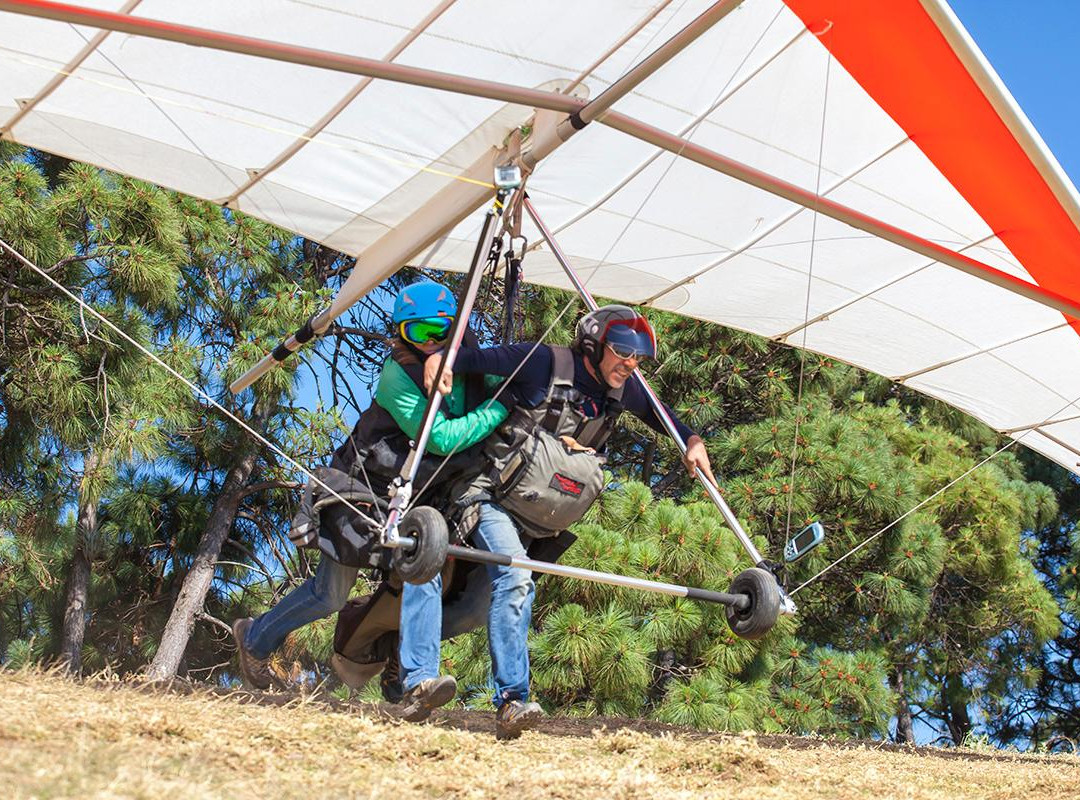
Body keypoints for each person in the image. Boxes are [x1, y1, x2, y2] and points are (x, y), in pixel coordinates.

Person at [399, 304, 716, 740]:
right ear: (593, 344)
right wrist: (440, 358)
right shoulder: (545, 362)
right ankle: (509, 701)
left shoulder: (623, 389)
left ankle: (485, 691)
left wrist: (692, 441)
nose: (631, 364)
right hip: (488, 494)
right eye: (623, 352)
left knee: (490, 597)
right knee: (517, 576)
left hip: (536, 515)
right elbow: (478, 358)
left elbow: (665, 419)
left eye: (639, 358)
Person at [231, 280, 509, 723]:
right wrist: (497, 410)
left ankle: (409, 676)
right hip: (364, 490)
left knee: (428, 576)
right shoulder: (397, 375)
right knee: (330, 596)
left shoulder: (470, 357)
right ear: (401, 334)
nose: (434, 341)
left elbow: (508, 376)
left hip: (419, 495)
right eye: (421, 333)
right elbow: (438, 438)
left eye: (443, 329)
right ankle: (255, 638)